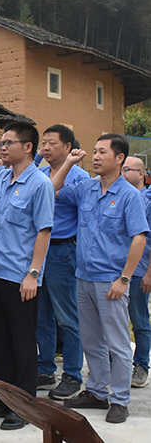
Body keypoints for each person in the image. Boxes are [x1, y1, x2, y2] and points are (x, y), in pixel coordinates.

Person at [52, 135, 148, 424]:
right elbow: (52, 188)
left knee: (117, 343)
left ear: (119, 158)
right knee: (91, 340)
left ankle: (119, 399)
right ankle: (96, 391)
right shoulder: (86, 188)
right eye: (94, 151)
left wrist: (124, 278)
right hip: (83, 277)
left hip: (111, 281)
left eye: (102, 152)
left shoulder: (129, 195)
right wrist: (69, 163)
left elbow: (139, 238)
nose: (95, 156)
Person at [0, 122, 55, 431]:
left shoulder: (39, 184)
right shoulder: (0, 177)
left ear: (28, 147)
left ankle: (24, 405)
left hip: (19, 277)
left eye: (8, 143)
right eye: (1, 143)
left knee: (22, 342)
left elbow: (44, 231)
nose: (2, 147)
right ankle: (1, 400)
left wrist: (33, 273)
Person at [35, 125, 90, 400]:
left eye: (51, 143)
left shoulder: (80, 177)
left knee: (67, 317)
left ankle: (72, 374)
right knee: (40, 315)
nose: (45, 147)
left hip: (62, 251)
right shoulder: (40, 174)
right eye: (43, 143)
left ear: (68, 147)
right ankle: (45, 368)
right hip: (39, 252)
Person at [122, 156, 151, 388]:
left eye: (127, 169)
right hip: (117, 270)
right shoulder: (120, 196)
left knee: (139, 320)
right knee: (116, 320)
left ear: (141, 174)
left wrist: (149, 273)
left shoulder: (147, 201)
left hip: (140, 271)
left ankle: (141, 365)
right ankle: (116, 363)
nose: (122, 173)